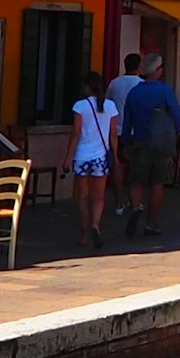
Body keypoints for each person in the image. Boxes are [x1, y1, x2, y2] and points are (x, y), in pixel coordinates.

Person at [116, 53, 180, 239]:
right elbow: (177, 117)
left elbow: (127, 121)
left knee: (136, 181)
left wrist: (125, 142)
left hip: (140, 142)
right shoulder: (165, 91)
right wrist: (176, 132)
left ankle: (136, 207)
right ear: (158, 71)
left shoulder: (134, 93)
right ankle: (151, 224)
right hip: (161, 143)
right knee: (157, 183)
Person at [68, 71, 120, 249]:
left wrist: (68, 157)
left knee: (82, 197)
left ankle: (83, 236)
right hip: (101, 156)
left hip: (82, 156)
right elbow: (113, 134)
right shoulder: (110, 106)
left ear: (87, 87)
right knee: (99, 197)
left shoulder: (79, 106)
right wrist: (116, 155)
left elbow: (75, 133)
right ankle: (95, 225)